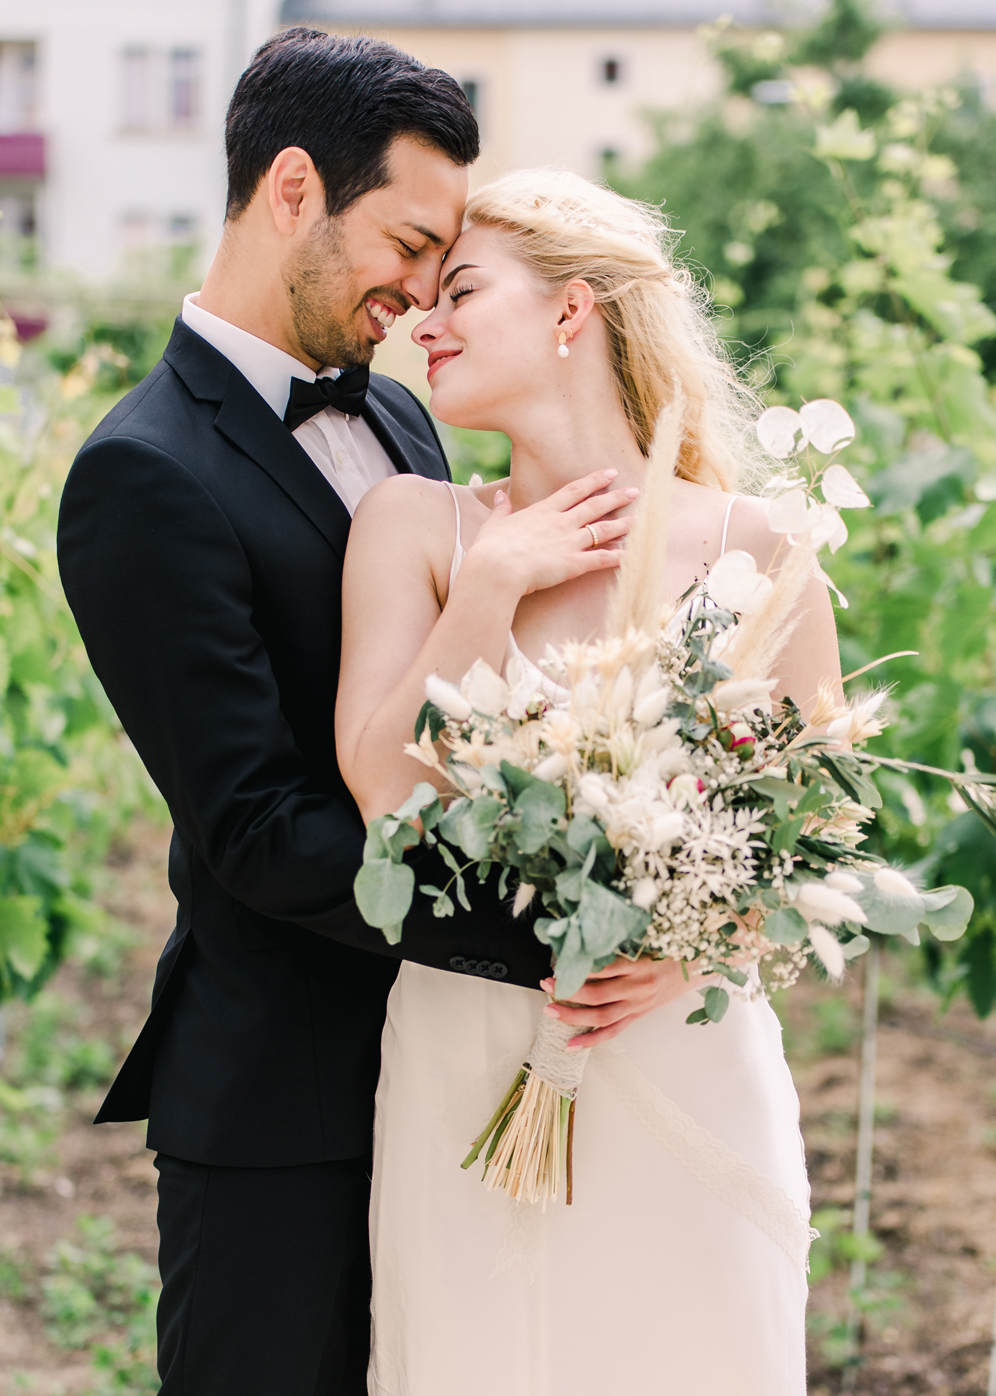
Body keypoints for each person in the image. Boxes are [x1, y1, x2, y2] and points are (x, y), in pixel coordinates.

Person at [56, 32, 659, 1396]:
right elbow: (259, 830)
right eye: (408, 242)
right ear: (291, 191)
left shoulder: (400, 417)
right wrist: (553, 931)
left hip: (465, 1072)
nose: (423, 291)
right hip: (286, 1099)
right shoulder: (141, 473)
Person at [336, 170, 842, 1395]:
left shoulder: (759, 545)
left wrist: (691, 949)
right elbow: (382, 792)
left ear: (572, 310)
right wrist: (491, 582)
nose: (423, 323)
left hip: (678, 1052)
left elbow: (818, 826)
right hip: (467, 1055)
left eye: (461, 290)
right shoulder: (416, 526)